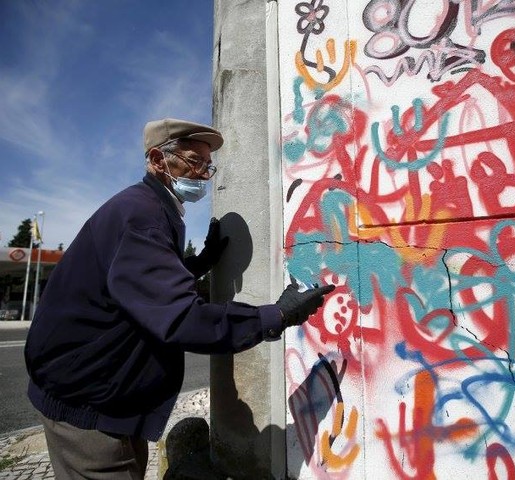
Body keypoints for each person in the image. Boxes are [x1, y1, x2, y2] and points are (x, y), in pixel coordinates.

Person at [24, 118, 334, 479]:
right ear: (158, 159)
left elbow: (136, 285)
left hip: (103, 397)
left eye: (207, 165)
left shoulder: (148, 208)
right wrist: (277, 315)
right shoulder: (143, 216)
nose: (202, 174)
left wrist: (200, 262)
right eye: (192, 161)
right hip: (87, 404)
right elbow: (181, 317)